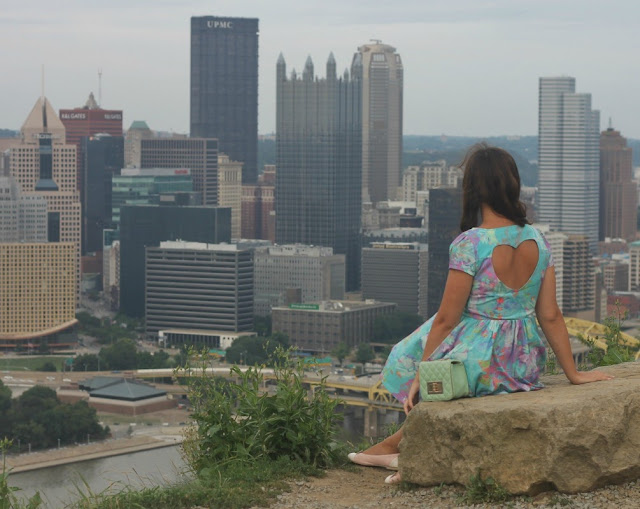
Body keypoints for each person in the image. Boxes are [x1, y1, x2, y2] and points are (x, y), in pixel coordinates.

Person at [348, 144, 613, 484]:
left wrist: (421, 374)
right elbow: (550, 316)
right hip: (522, 362)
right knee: (444, 356)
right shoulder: (539, 240)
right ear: (514, 185)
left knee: (411, 350)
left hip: (479, 359)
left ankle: (409, 454)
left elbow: (447, 318)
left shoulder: (471, 243)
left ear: (472, 190)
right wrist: (573, 374)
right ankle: (399, 449)